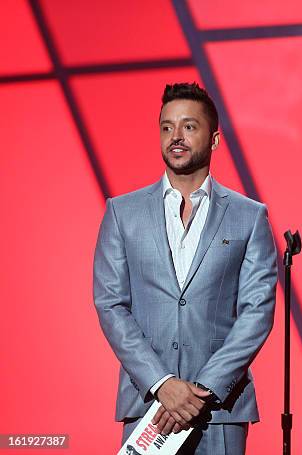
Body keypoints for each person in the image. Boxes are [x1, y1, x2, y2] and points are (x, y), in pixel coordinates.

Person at [94, 82, 277, 455]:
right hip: (147, 406)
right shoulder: (122, 212)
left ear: (214, 139)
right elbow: (111, 304)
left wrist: (203, 388)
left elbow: (257, 312)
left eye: (189, 126)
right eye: (166, 127)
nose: (175, 136)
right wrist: (162, 383)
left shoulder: (249, 216)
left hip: (220, 408)